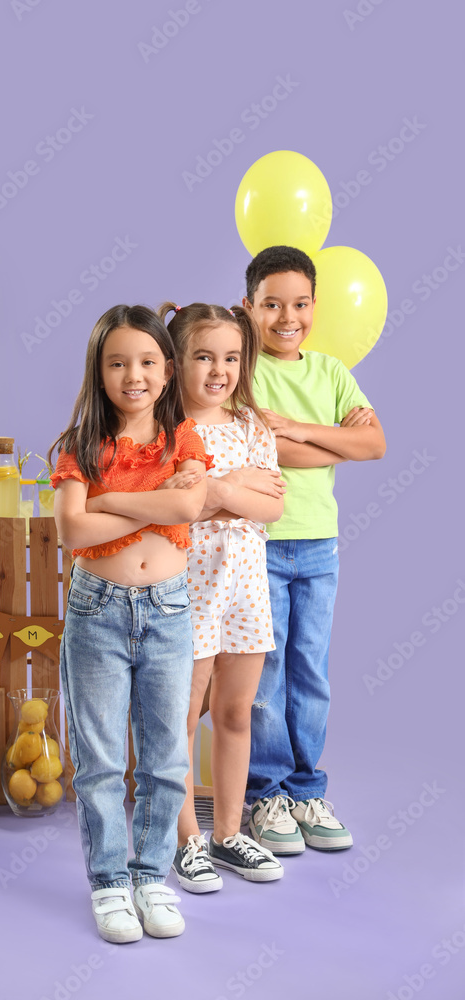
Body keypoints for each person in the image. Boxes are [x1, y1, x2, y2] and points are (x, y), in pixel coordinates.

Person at [50, 304, 209, 943]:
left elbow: (189, 503)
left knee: (167, 756)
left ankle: (152, 878)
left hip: (169, 610)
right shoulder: (79, 446)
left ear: (167, 371)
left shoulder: (183, 441)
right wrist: (148, 507)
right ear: (100, 371)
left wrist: (110, 498)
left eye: (146, 362)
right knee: (100, 760)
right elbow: (73, 529)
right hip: (98, 611)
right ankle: (111, 883)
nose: (132, 375)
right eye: (117, 363)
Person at [242, 246, 386, 855]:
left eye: (299, 303)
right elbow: (257, 450)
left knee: (310, 670)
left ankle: (307, 788)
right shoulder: (242, 370)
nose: (286, 316)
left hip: (319, 545)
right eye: (271, 304)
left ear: (315, 307)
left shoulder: (329, 373)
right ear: (249, 308)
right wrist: (338, 443)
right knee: (264, 672)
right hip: (261, 542)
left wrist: (297, 429)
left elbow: (375, 443)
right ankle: (265, 792)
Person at [159, 301, 285, 892]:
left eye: (231, 357)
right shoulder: (165, 433)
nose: (219, 370)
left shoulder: (252, 429)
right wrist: (234, 489)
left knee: (236, 713)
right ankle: (187, 841)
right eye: (204, 356)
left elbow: (274, 506)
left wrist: (215, 491)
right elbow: (180, 506)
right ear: (176, 360)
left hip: (244, 593)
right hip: (188, 591)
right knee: (183, 717)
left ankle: (229, 833)